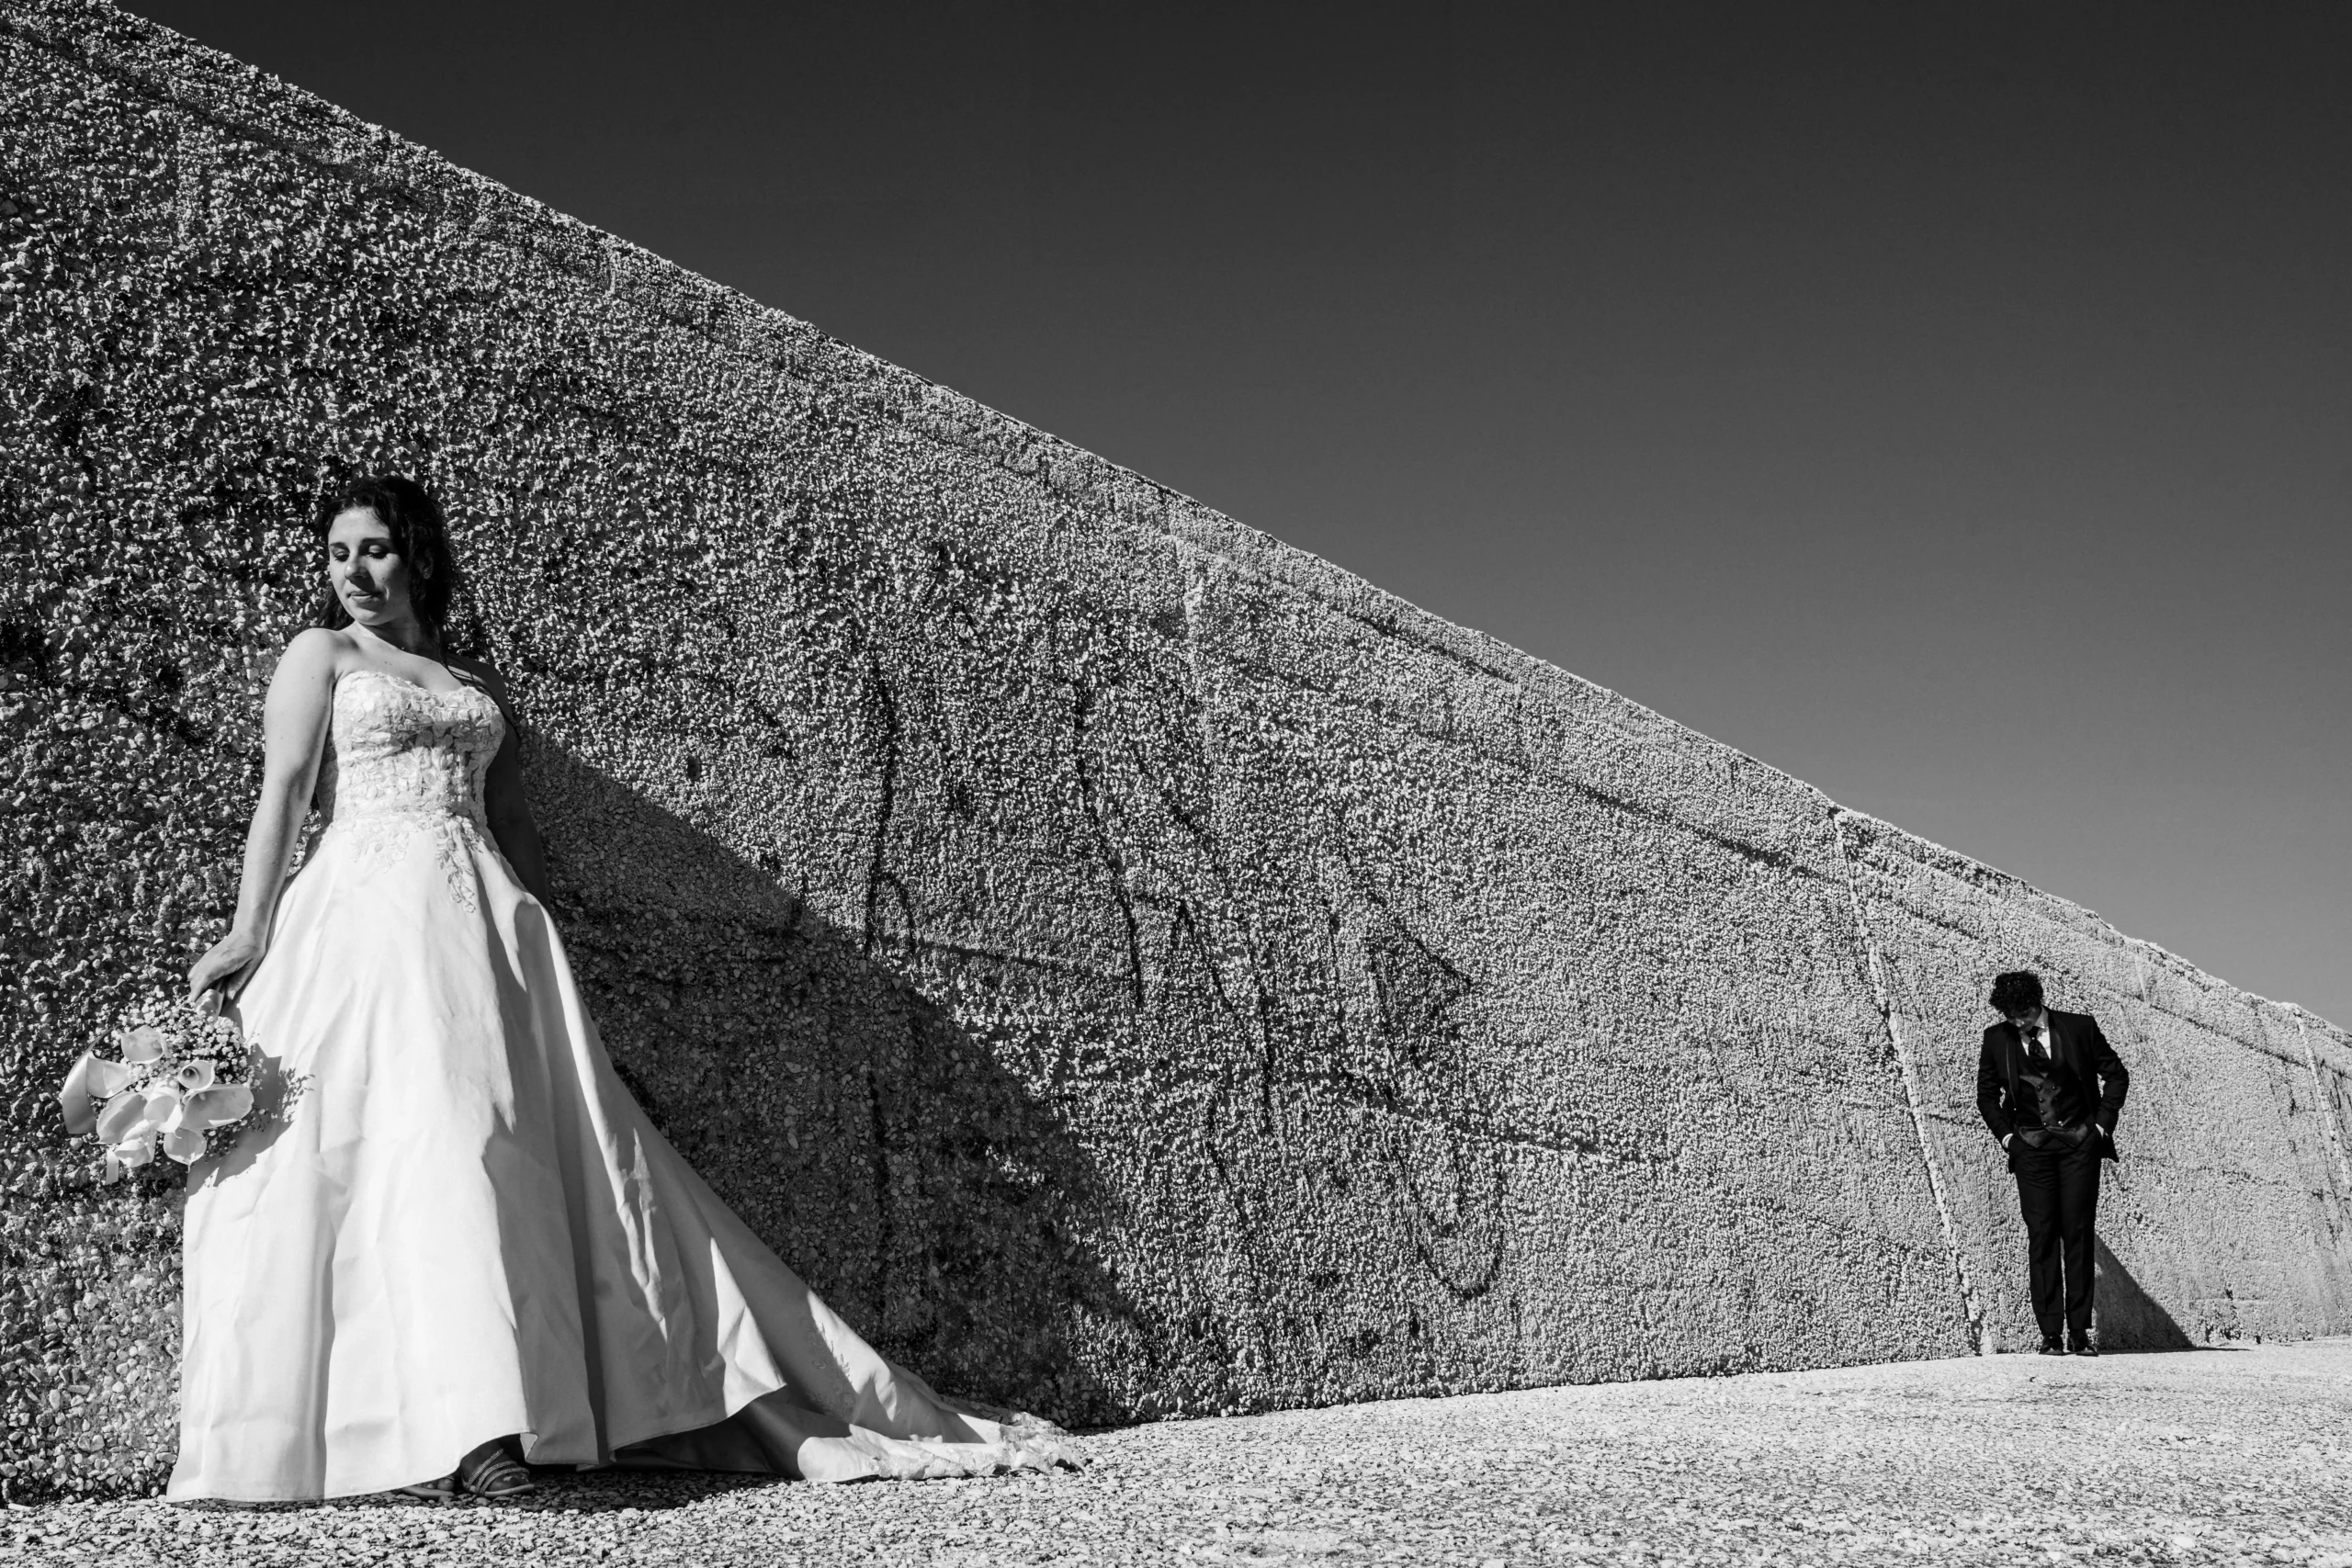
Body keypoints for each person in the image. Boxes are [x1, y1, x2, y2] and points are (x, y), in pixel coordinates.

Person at [175, 474, 1075, 1502]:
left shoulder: (471, 683)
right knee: (404, 1152)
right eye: (337, 554)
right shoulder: (322, 656)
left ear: (417, 554)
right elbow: (284, 795)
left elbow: (513, 827)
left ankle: (514, 1412)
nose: (353, 573)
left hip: (486, 931)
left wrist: (541, 941)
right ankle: (454, 1437)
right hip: (368, 918)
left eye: (373, 549)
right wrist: (250, 928)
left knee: (500, 1149)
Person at [1973, 969, 2129, 1357]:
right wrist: (2008, 1137)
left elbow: (2116, 1076)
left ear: (2037, 1001)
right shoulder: (1997, 1039)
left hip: (2079, 1144)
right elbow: (1987, 1095)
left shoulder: (2079, 1028)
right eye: (2010, 1016)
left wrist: (2100, 1128)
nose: (2018, 1022)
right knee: (2042, 1235)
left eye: (2023, 1013)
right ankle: (2050, 1334)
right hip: (2030, 1148)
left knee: (2076, 1232)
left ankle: (2079, 1332)